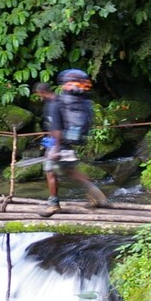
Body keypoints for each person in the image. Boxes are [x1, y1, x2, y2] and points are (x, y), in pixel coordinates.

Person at [35, 75, 106, 218]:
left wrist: (54, 149)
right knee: (71, 171)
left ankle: (54, 204)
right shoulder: (61, 101)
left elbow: (56, 128)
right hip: (65, 144)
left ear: (41, 93)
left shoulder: (53, 104)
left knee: (50, 172)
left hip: (59, 145)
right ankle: (94, 191)